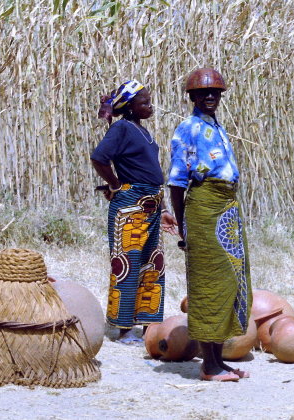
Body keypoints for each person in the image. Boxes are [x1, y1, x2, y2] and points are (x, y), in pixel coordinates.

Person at [168, 68, 252, 381]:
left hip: (227, 208)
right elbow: (177, 182)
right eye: (203, 93)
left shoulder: (216, 127)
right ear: (191, 97)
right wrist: (182, 226)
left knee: (229, 281)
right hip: (203, 209)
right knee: (207, 286)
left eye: (215, 93)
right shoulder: (187, 128)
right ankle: (209, 366)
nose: (210, 98)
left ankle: (218, 360)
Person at [91, 80, 178, 344]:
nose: (150, 107)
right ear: (129, 107)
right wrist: (116, 185)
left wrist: (163, 209)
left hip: (152, 203)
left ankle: (148, 323)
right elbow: (99, 157)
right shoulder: (121, 128)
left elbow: (150, 172)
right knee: (127, 263)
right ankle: (124, 328)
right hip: (130, 204)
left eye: (150, 102)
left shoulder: (141, 131)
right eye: (144, 103)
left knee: (153, 263)